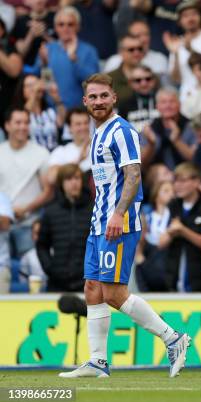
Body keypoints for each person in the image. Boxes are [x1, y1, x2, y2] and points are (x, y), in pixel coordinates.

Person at [58, 73, 190, 379]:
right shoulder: (98, 134)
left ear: (114, 97)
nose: (99, 101)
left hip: (120, 222)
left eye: (104, 95)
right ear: (85, 102)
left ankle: (174, 339)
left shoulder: (121, 131)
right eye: (93, 97)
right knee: (92, 288)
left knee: (115, 293)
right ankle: (97, 362)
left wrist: (118, 214)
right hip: (99, 223)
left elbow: (133, 174)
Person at [0, 108, 51, 258]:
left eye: (26, 123)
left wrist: (26, 209)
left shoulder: (41, 153)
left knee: (31, 274)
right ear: (7, 125)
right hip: (1, 226)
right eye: (18, 122)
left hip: (29, 225)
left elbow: (48, 192)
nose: (23, 127)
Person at [36, 164, 92, 292]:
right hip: (57, 283)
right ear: (61, 183)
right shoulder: (51, 211)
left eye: (77, 178)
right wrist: (50, 268)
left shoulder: (94, 210)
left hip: (88, 283)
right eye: (69, 179)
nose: (74, 183)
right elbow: (41, 245)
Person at [159, 162, 201, 292]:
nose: (177, 185)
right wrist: (171, 232)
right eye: (175, 181)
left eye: (182, 181)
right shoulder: (172, 205)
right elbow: (161, 243)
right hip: (173, 279)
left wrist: (183, 231)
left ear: (196, 181)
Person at [35, 6, 99, 109]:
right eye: (61, 24)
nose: (66, 28)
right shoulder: (48, 49)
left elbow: (94, 82)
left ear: (78, 27)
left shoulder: (88, 50)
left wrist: (75, 60)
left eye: (70, 24)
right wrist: (44, 64)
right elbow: (44, 83)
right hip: (52, 111)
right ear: (55, 27)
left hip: (81, 112)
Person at [12, 73, 66, 151]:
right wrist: (34, 92)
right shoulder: (19, 112)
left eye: (36, 84)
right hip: (33, 157)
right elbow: (25, 114)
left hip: (54, 156)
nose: (34, 88)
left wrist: (56, 98)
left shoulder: (49, 111)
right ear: (22, 91)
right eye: (29, 85)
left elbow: (61, 122)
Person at [136, 179, 173, 292]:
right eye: (166, 191)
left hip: (165, 262)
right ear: (156, 194)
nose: (171, 194)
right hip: (147, 258)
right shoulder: (145, 214)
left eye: (173, 191)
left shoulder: (174, 215)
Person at [104, 19, 169, 79]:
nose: (144, 39)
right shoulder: (113, 62)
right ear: (128, 37)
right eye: (138, 35)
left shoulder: (160, 59)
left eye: (146, 34)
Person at [47, 107, 91, 184]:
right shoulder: (61, 151)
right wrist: (79, 160)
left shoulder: (101, 146)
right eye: (78, 124)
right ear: (69, 128)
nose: (83, 127)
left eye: (86, 123)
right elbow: (51, 178)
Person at [117, 64, 160, 134]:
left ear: (154, 80)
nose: (144, 83)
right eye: (138, 80)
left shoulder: (165, 101)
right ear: (130, 83)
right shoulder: (124, 105)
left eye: (148, 79)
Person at [107, 34, 147, 106]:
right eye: (131, 49)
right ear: (121, 52)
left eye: (140, 49)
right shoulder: (109, 79)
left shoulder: (151, 76)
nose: (136, 52)